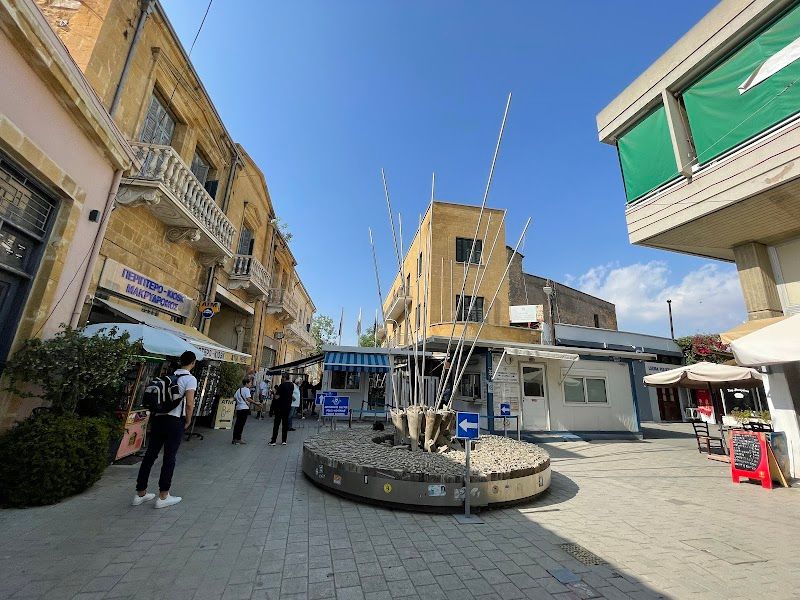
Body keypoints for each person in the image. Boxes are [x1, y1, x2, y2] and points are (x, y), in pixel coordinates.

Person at [133, 350, 197, 509]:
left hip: (159, 419)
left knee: (150, 455)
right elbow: (190, 403)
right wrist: (188, 420)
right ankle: (163, 495)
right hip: (175, 421)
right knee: (169, 457)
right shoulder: (190, 379)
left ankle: (140, 492)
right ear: (193, 363)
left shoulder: (168, 376)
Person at [269, 375, 294, 446]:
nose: (282, 379)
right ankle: (284, 441)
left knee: (276, 424)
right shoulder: (292, 386)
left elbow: (277, 397)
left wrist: (274, 393)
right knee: (285, 424)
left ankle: (273, 441)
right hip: (287, 407)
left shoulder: (282, 385)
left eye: (282, 378)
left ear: (284, 378)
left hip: (279, 408)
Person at [232, 378, 252, 444]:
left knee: (237, 424)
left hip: (239, 408)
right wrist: (256, 403)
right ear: (246, 383)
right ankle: (238, 439)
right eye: (250, 383)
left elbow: (234, 398)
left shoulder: (239, 390)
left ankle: (234, 438)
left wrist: (239, 401)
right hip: (244, 408)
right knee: (241, 424)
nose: (250, 384)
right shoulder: (247, 390)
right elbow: (248, 399)